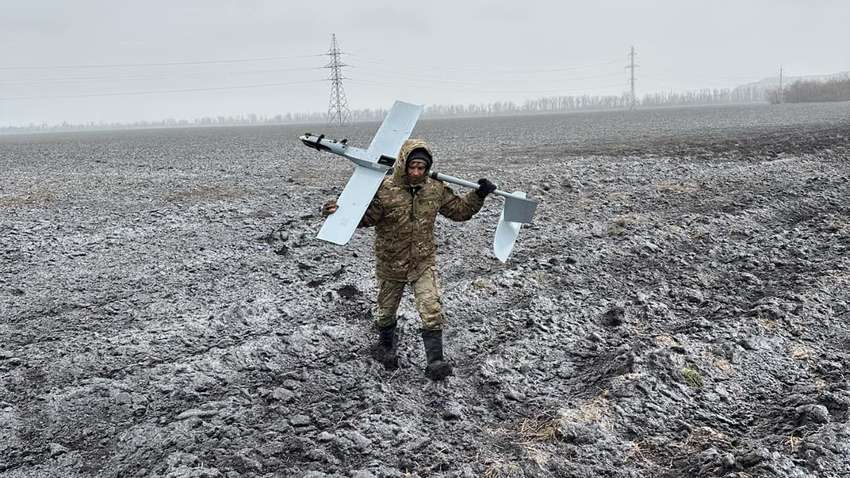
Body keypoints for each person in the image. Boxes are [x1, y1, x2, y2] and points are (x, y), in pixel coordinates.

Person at [322, 139, 496, 380]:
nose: (416, 172)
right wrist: (337, 211)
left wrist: (479, 195)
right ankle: (386, 348)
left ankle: (435, 362)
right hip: (390, 263)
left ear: (427, 167)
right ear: (403, 164)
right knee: (385, 313)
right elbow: (364, 218)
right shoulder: (384, 189)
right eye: (412, 167)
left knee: (431, 310)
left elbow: (459, 211)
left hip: (422, 262)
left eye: (421, 168)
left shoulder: (435, 188)